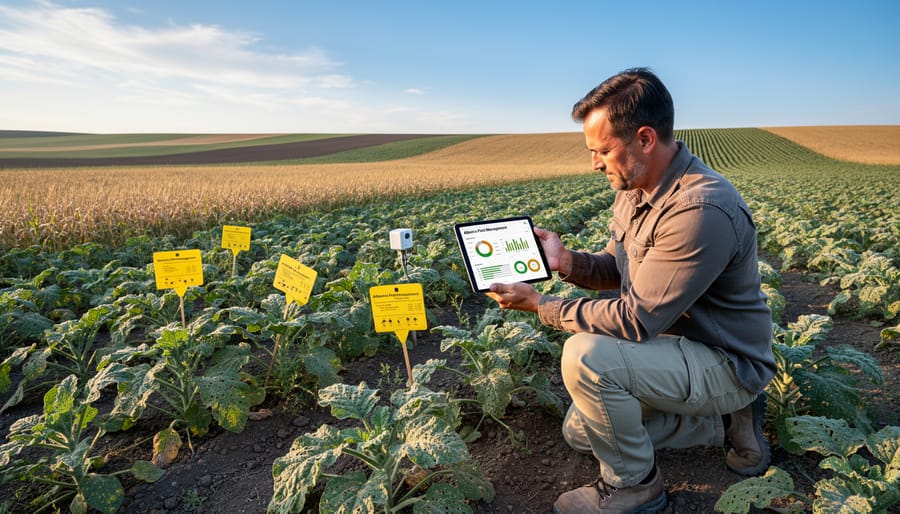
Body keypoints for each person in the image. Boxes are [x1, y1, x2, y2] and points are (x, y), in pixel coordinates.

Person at [485, 68, 775, 514]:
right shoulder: (637, 186)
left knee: (586, 358)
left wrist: (541, 305)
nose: (595, 163)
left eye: (602, 150)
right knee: (581, 431)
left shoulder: (701, 207)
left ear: (644, 139)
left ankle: (634, 486)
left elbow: (636, 319)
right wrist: (566, 263)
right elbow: (617, 270)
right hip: (672, 345)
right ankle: (723, 425)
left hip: (723, 359)